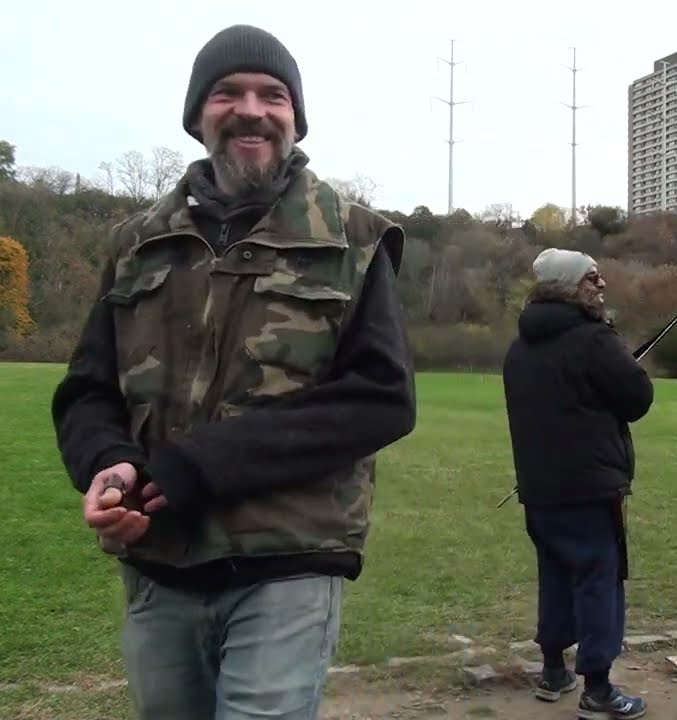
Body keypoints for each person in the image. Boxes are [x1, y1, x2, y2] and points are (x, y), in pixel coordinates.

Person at [49, 24, 416, 720]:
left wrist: (197, 465)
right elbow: (87, 388)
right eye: (228, 92)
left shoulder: (354, 239)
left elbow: (382, 399)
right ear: (197, 116)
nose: (251, 108)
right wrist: (107, 463)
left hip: (288, 560)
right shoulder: (136, 244)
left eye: (272, 95)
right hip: (158, 563)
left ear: (295, 118)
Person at [501, 248, 654, 719]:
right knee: (598, 579)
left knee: (555, 575)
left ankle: (553, 670)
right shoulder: (593, 340)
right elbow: (638, 397)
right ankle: (599, 689)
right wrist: (615, 347)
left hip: (539, 490)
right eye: (592, 278)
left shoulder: (518, 347)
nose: (601, 285)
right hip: (590, 489)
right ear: (569, 287)